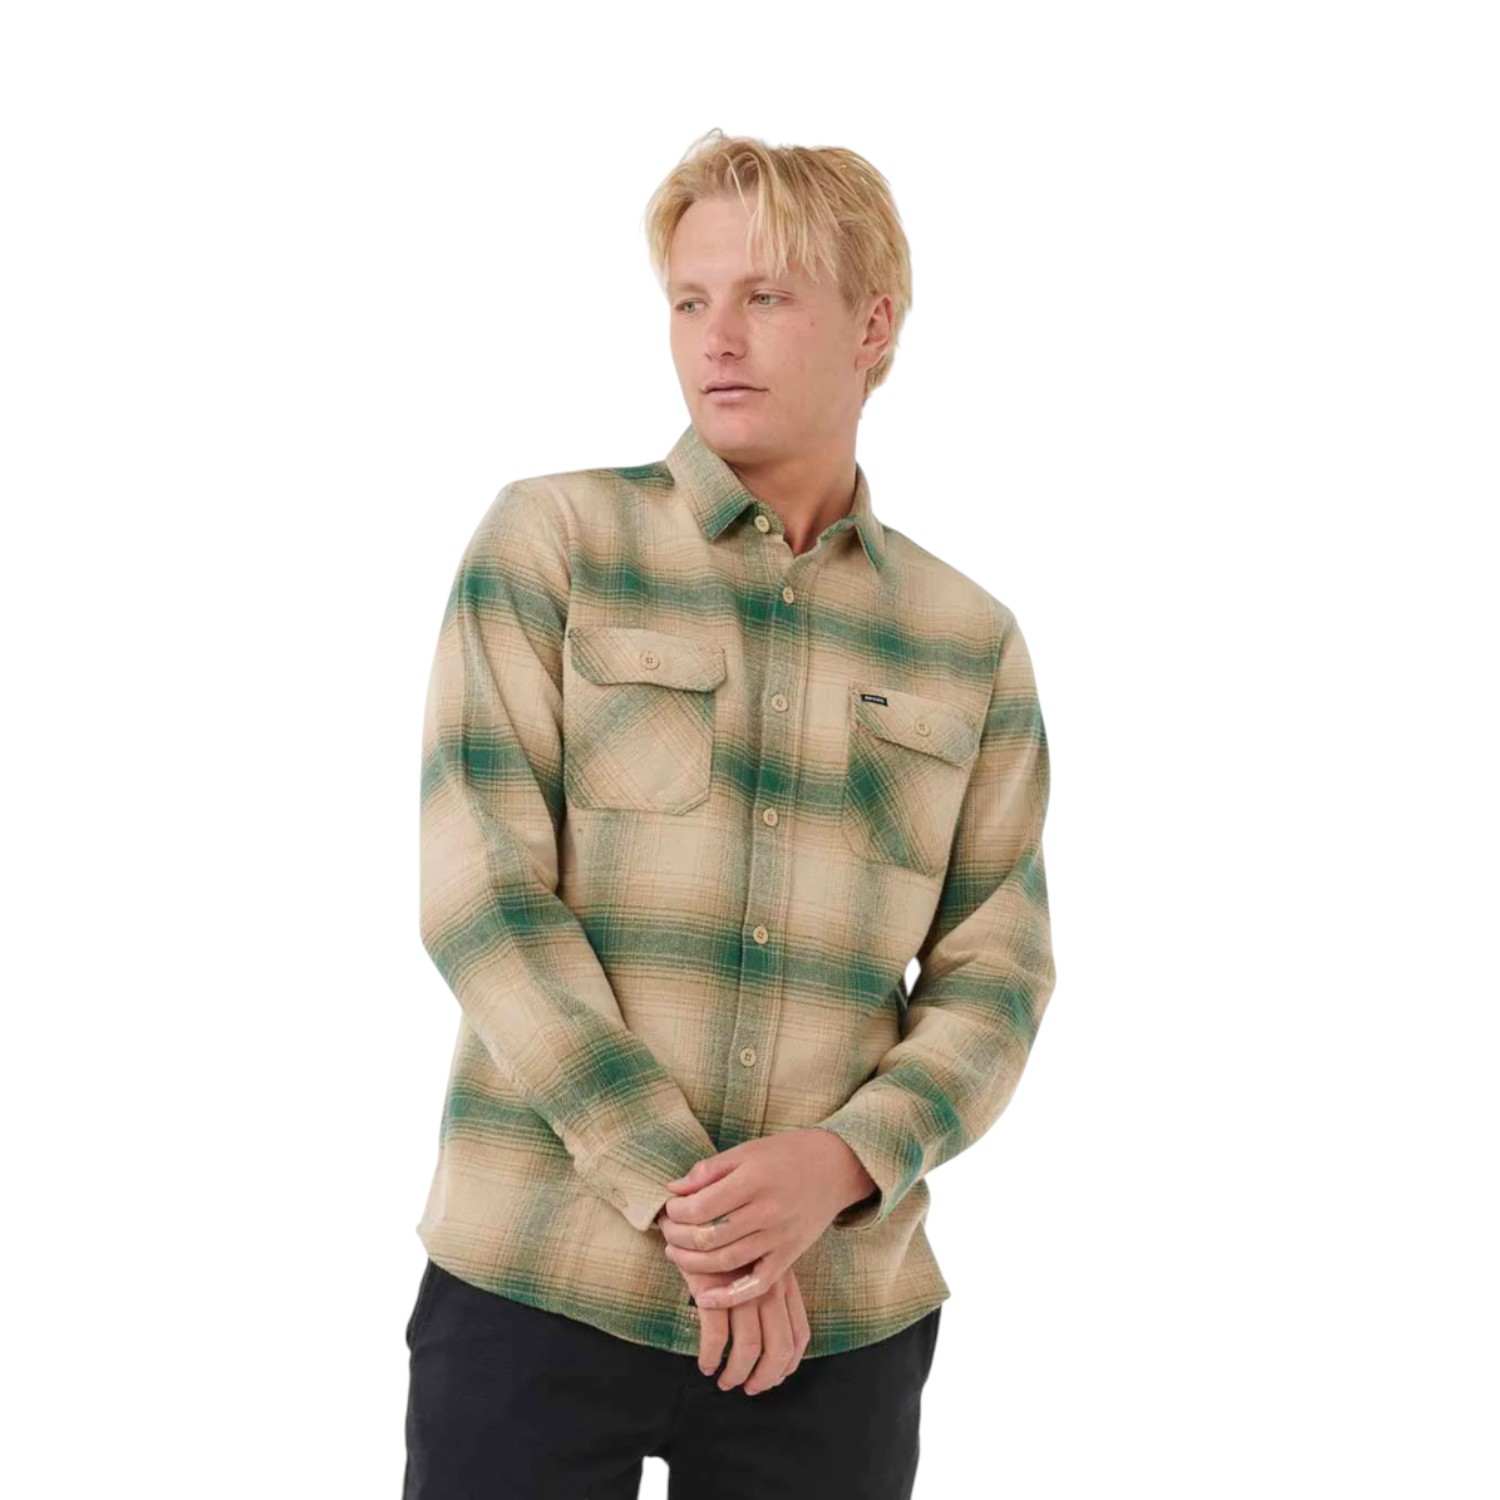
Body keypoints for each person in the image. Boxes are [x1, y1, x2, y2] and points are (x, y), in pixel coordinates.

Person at [402, 127, 1057, 1500]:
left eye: (766, 295)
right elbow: (485, 897)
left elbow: (997, 976)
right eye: (690, 299)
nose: (718, 338)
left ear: (873, 326)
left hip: (839, 1320)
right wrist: (697, 1208)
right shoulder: (552, 543)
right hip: (539, 1277)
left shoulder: (968, 639)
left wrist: (838, 1166)